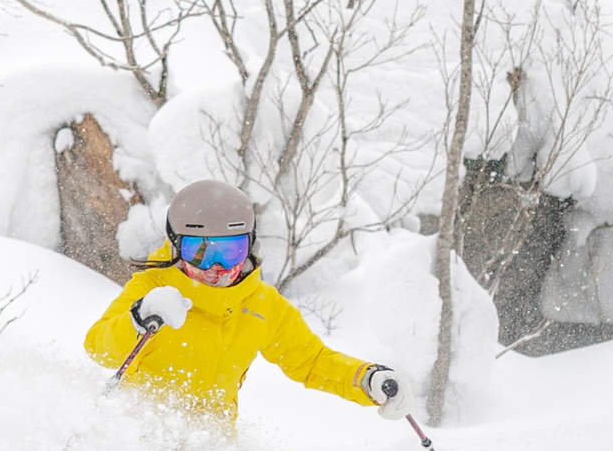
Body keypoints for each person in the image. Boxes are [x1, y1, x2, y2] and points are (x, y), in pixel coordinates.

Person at [85, 179, 414, 427]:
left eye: (230, 252)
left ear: (249, 247)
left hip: (212, 445)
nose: (216, 267)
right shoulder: (152, 289)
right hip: (139, 434)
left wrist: (366, 380)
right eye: (199, 252)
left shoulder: (260, 304)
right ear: (175, 246)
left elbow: (310, 361)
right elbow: (98, 348)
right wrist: (137, 319)